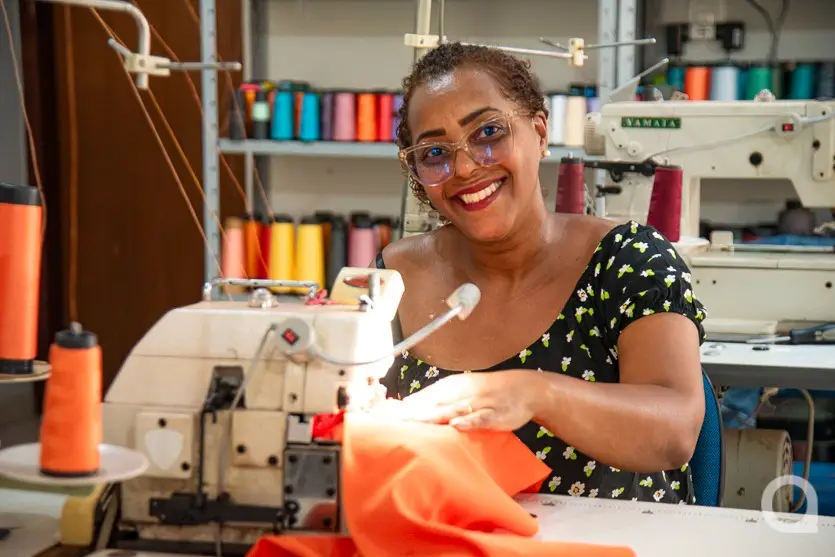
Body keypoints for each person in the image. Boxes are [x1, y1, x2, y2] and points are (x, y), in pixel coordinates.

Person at [373, 42, 708, 505]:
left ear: (540, 131)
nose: (467, 167)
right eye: (435, 153)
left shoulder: (627, 260)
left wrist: (535, 392)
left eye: (489, 131)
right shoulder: (394, 275)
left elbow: (675, 431)